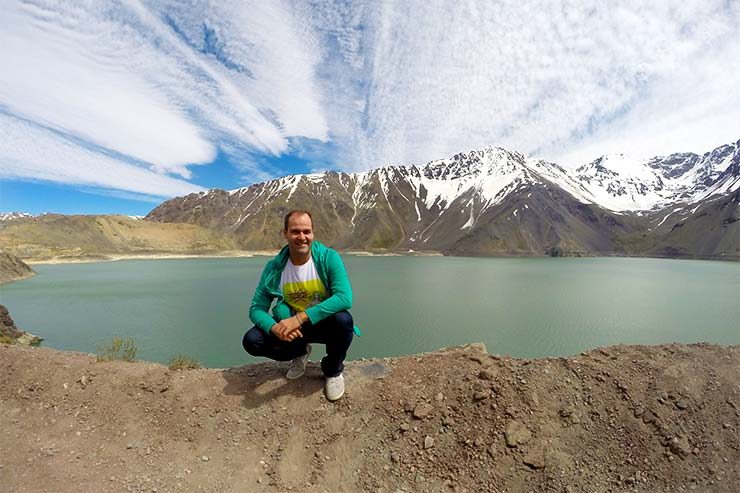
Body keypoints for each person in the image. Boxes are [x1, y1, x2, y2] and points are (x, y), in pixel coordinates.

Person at [242, 210, 359, 401]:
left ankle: (333, 371)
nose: (302, 237)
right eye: (296, 231)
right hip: (292, 331)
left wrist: (298, 318)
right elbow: (256, 308)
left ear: (313, 233)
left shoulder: (328, 258)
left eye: (307, 231)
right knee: (252, 340)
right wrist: (274, 328)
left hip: (322, 323)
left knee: (343, 320)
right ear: (285, 234)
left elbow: (345, 298)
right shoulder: (274, 268)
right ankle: (300, 352)